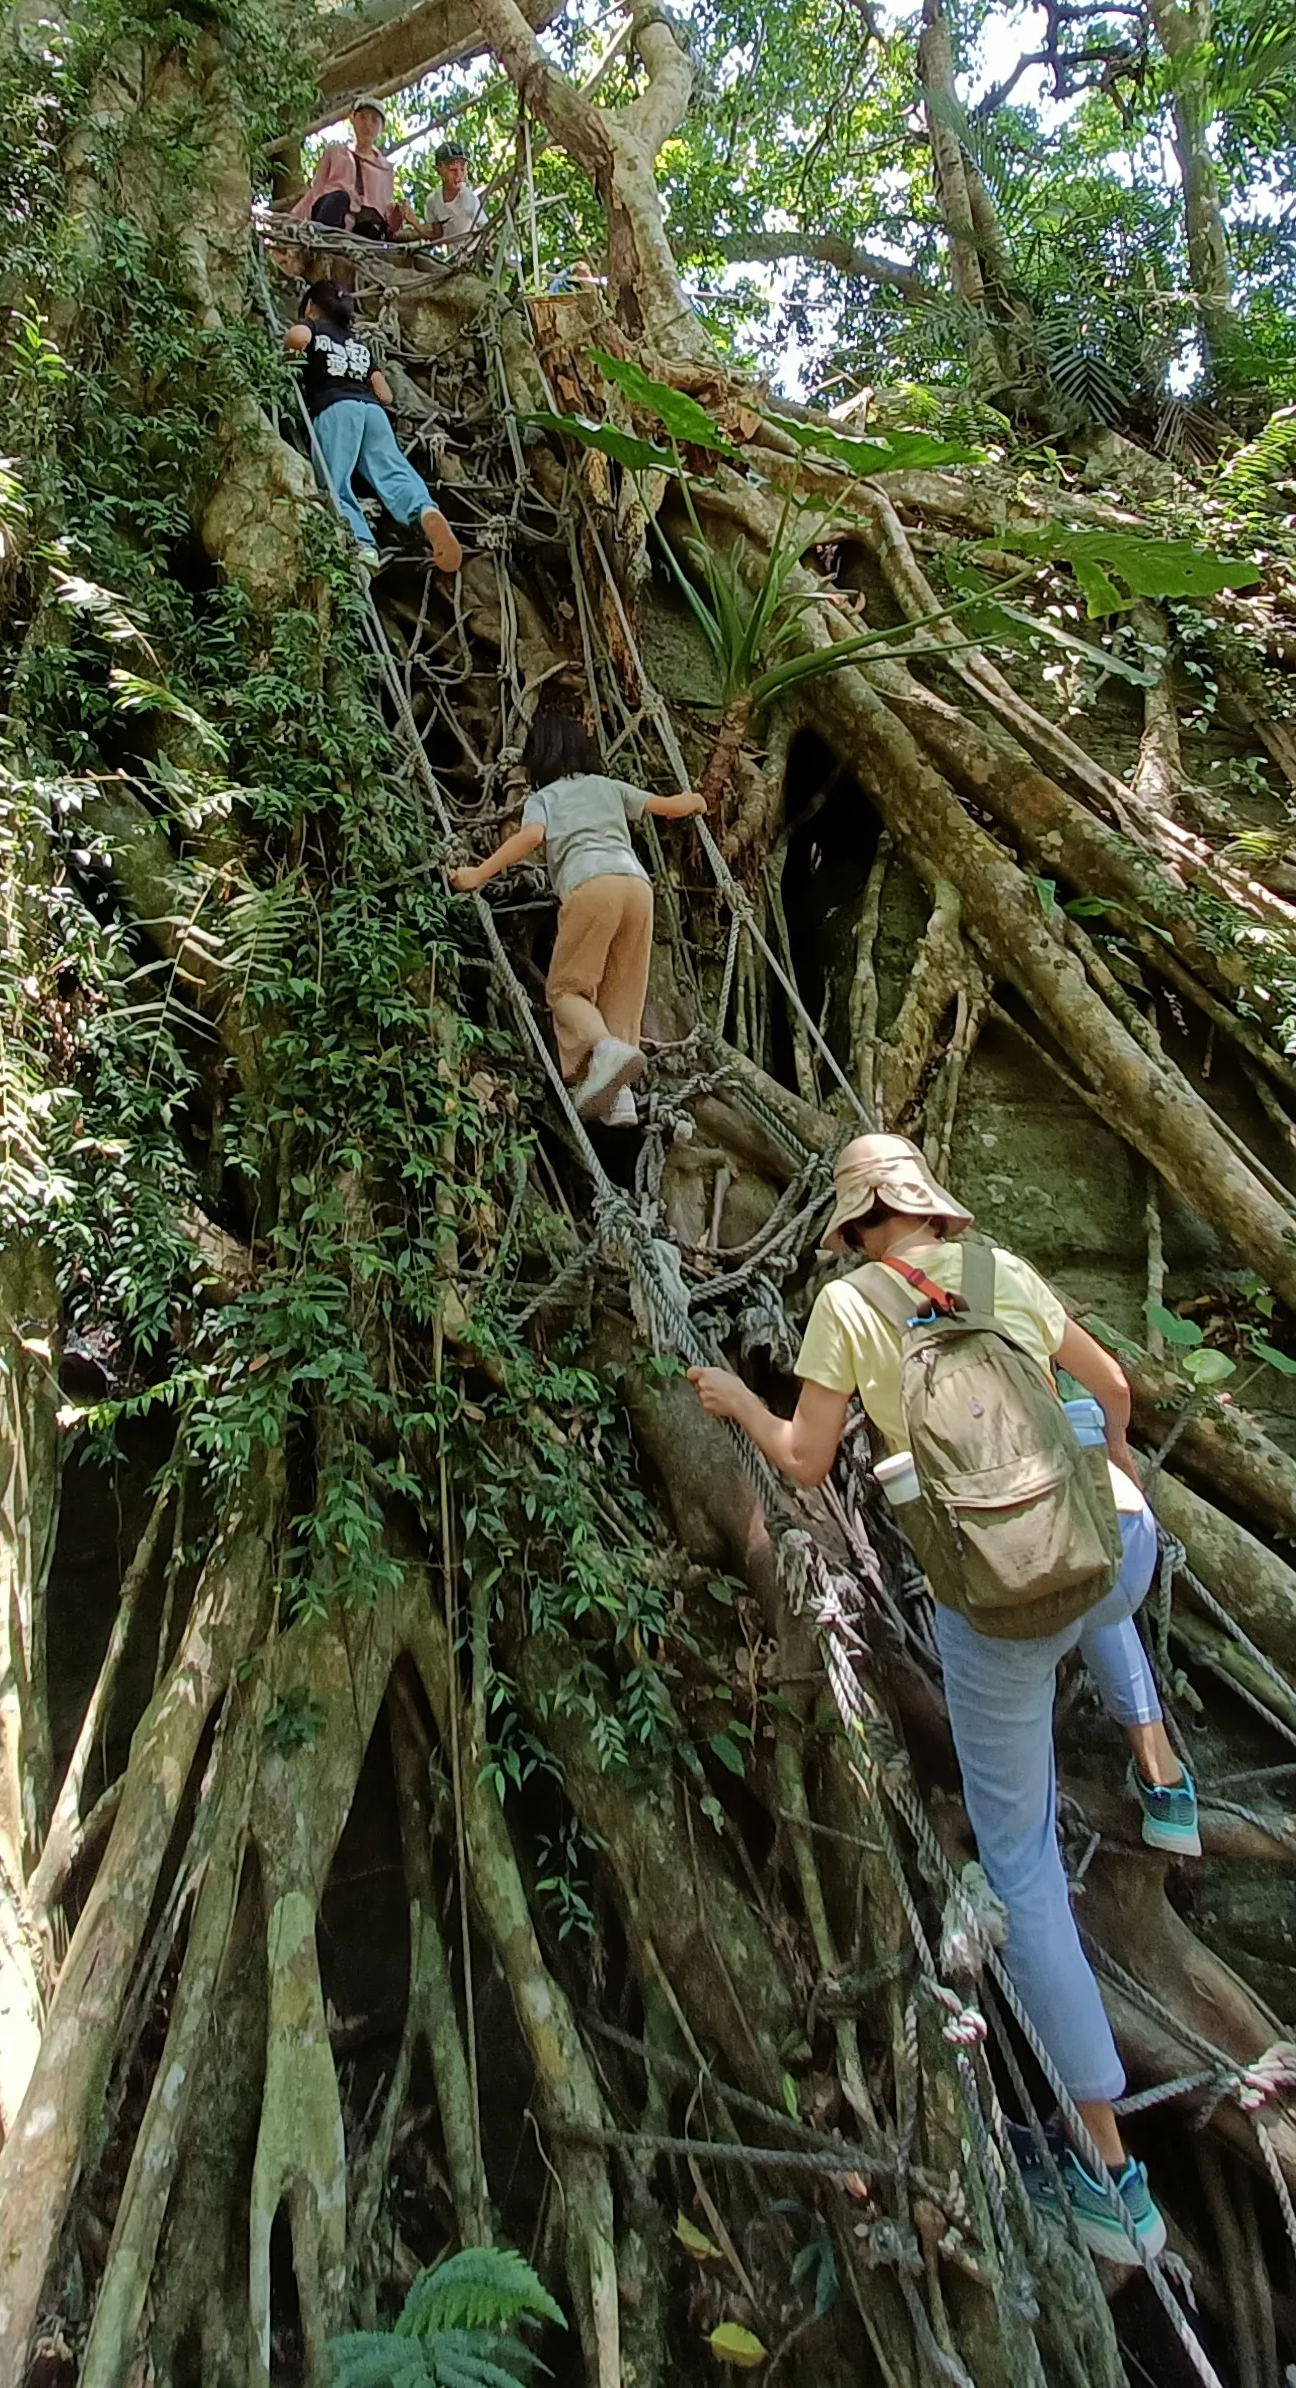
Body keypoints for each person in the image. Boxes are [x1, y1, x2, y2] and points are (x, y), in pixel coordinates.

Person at [686, 1132, 1194, 2268]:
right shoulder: (1001, 1268)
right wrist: (1097, 1472)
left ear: (858, 1222)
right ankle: (1165, 1773)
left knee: (1018, 1871)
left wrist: (735, 1404)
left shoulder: (846, 1304)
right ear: (930, 1209)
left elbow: (808, 1462)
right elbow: (1112, 1389)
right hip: (1120, 1549)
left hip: (999, 1617)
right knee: (1098, 1559)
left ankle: (1112, 2179)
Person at [445, 706, 704, 1119]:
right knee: (622, 994)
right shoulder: (608, 785)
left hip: (590, 884)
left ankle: (603, 1052)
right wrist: (693, 801)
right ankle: (620, 1098)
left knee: (566, 990)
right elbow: (666, 806)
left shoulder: (543, 798)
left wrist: (478, 873)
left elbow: (529, 838)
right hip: (637, 887)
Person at [284, 282, 463, 575]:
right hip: (373, 412)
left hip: (335, 408)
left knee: (334, 481)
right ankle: (424, 509)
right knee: (392, 470)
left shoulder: (313, 328)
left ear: (311, 308)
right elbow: (385, 394)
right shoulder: (359, 346)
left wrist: (288, 361)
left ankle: (363, 545)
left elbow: (297, 336)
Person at [287, 100, 400, 238]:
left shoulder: (385, 169)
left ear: (381, 128)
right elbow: (317, 189)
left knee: (371, 223)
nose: (368, 125)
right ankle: (322, 238)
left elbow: (386, 210)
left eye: (374, 120)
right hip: (331, 212)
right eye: (363, 117)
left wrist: (399, 215)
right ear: (352, 120)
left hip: (364, 224)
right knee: (339, 198)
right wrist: (296, 218)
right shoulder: (335, 152)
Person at [420, 139, 480, 243]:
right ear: (439, 170)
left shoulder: (468, 198)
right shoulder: (433, 201)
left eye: (462, 169)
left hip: (475, 253)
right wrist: (414, 223)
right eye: (452, 170)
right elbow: (437, 236)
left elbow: (485, 228)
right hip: (455, 256)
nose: (458, 175)